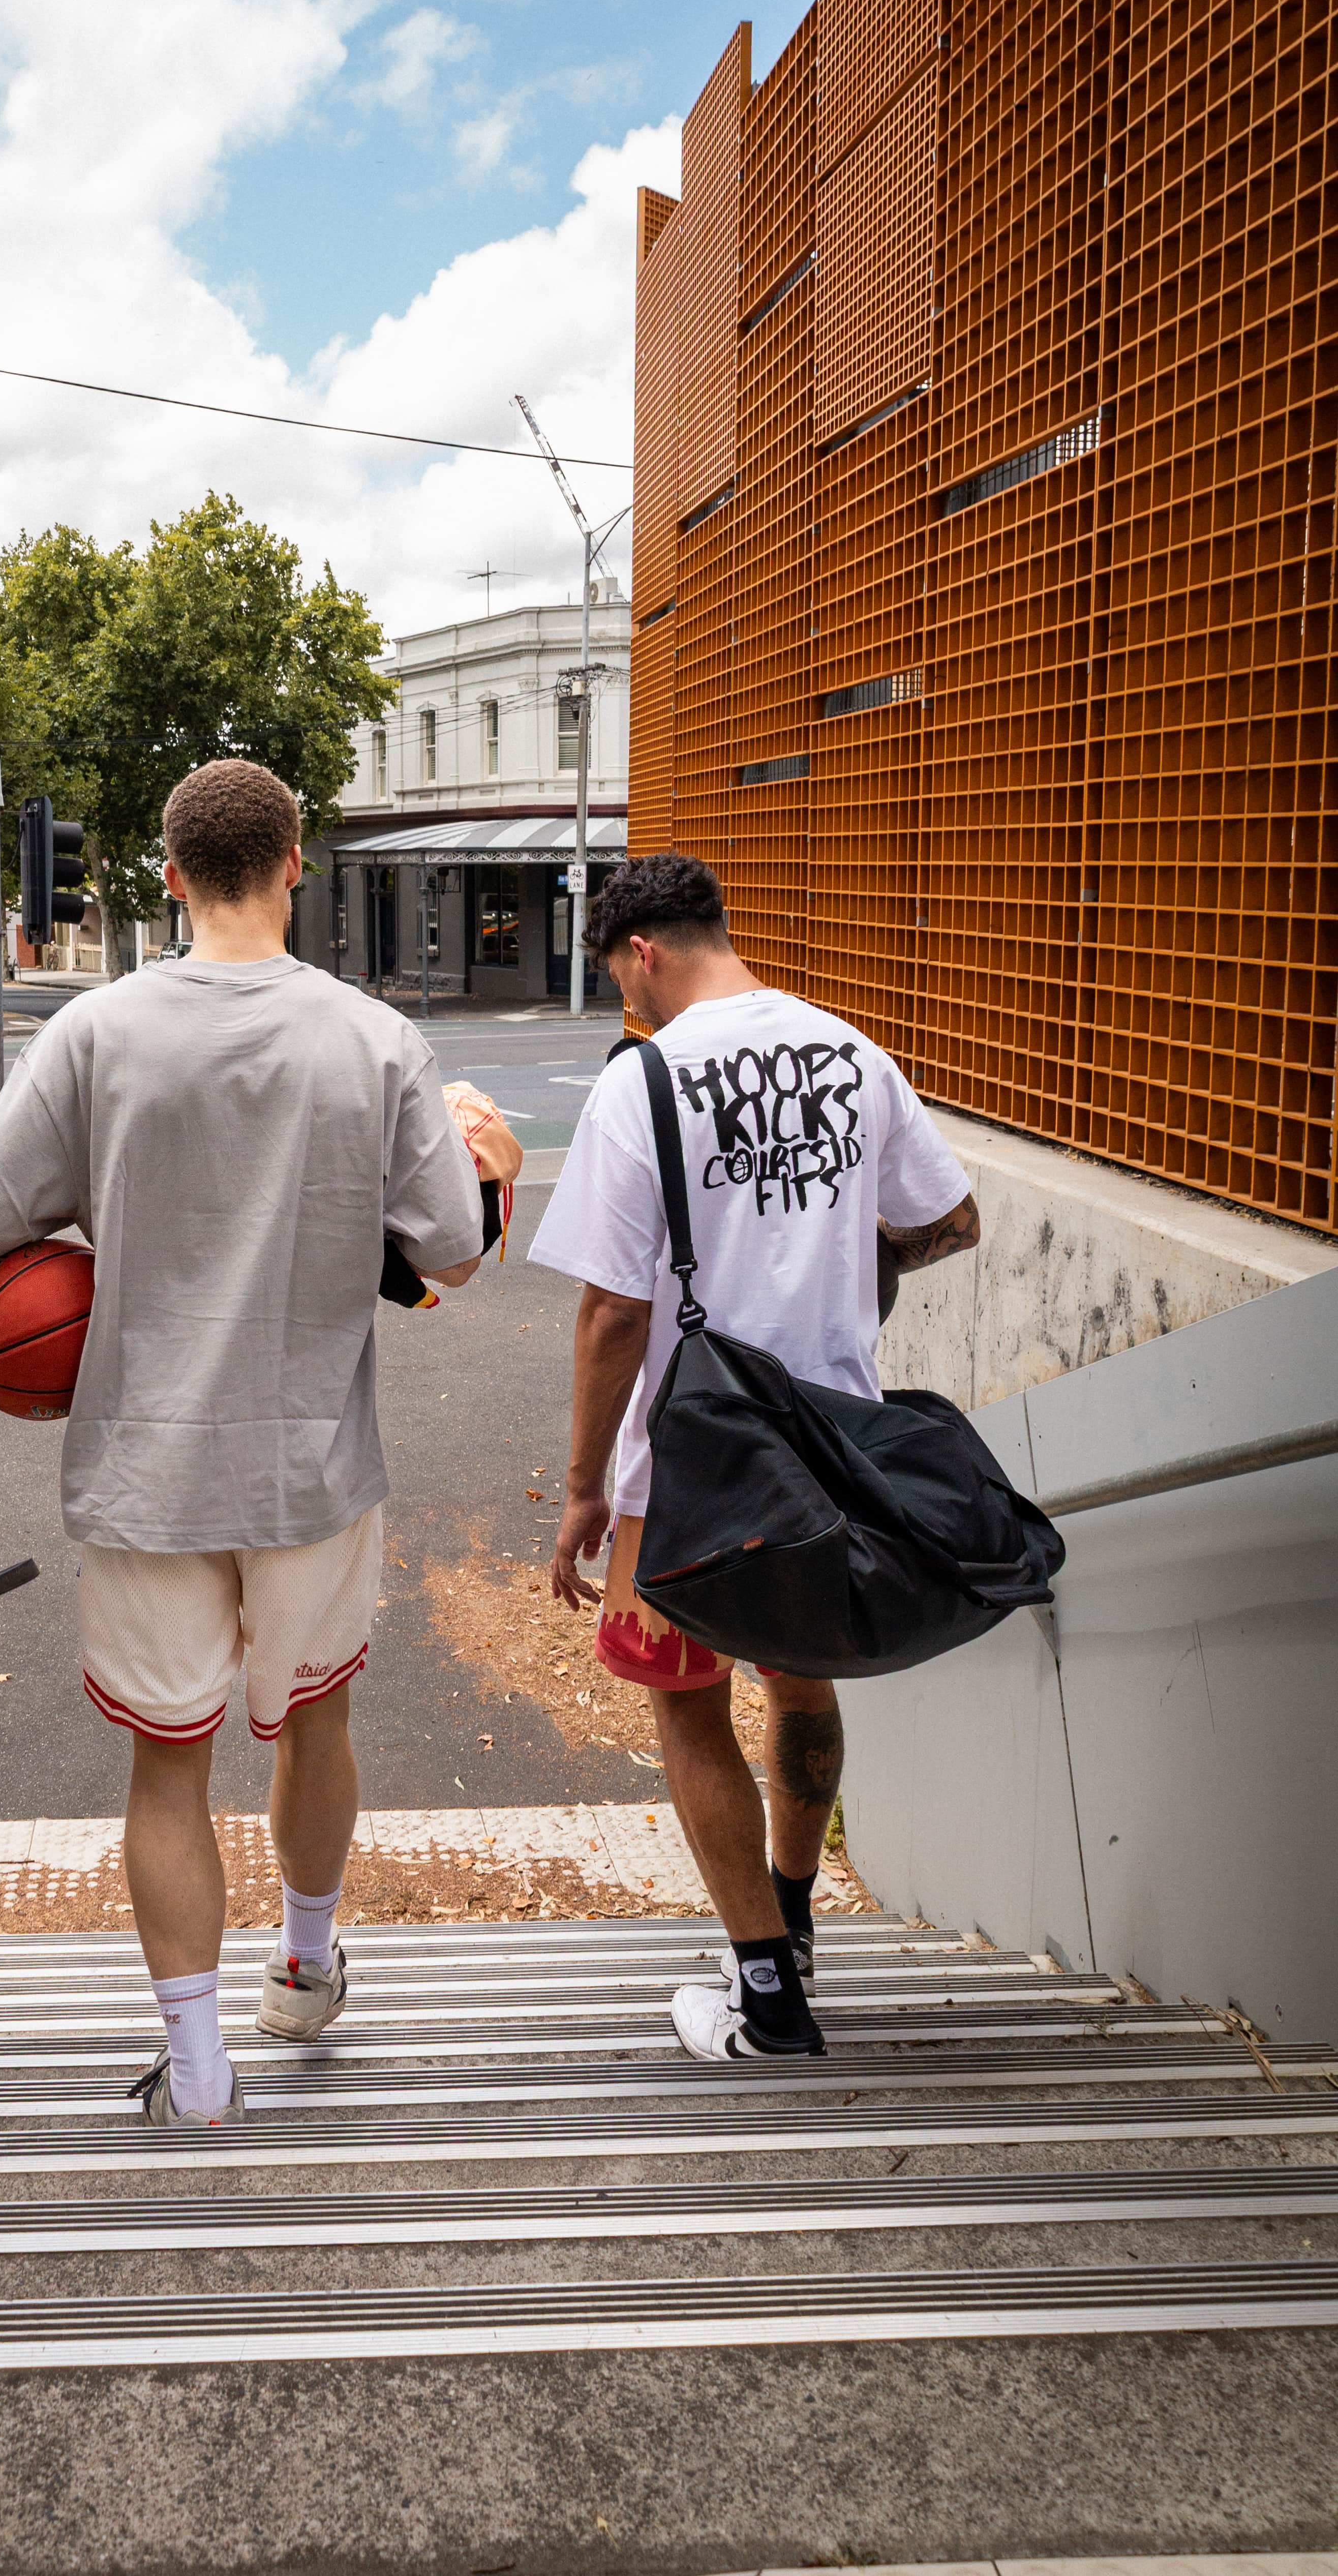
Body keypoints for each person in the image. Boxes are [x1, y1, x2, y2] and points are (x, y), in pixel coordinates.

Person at [0, 759, 484, 2124]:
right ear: (292, 868)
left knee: (169, 1760)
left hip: (145, 1471)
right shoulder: (376, 1041)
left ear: (167, 877)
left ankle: (201, 2072)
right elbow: (454, 1247)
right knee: (315, 1721)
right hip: (313, 1467)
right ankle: (309, 1963)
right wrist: (480, 1154)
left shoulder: (95, 1037)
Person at [528, 853, 979, 2062]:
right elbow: (949, 1220)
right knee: (799, 1679)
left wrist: (581, 1488)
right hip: (832, 1442)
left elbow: (613, 1313)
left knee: (686, 1706)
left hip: (689, 1458)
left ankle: (768, 2000)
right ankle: (788, 1918)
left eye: (629, 985)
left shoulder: (644, 1082)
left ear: (642, 955)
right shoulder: (851, 1052)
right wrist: (840, 1274)